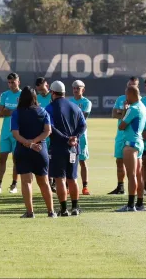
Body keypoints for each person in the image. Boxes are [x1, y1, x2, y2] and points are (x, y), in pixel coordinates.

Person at [11, 86, 54, 218]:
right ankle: (51, 211)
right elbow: (48, 131)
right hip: (40, 150)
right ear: (35, 98)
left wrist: (29, 144)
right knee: (44, 182)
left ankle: (30, 212)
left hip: (23, 150)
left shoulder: (17, 113)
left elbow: (15, 134)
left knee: (26, 181)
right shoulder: (43, 111)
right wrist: (35, 142)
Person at [45, 81, 86, 217]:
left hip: (58, 148)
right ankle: (75, 207)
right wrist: (74, 137)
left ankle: (63, 209)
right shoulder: (75, 106)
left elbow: (51, 128)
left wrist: (65, 138)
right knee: (72, 179)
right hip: (74, 148)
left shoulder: (49, 108)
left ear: (52, 92)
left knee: (59, 179)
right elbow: (83, 126)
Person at [116, 86, 146, 212]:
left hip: (130, 144)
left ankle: (130, 205)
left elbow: (121, 126)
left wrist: (124, 110)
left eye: (126, 95)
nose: (126, 98)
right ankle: (139, 203)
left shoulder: (132, 109)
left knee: (131, 175)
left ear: (131, 94)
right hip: (139, 143)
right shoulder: (143, 107)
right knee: (139, 175)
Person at [0, 73, 21, 194]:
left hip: (18, 132)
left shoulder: (23, 95)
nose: (11, 85)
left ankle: (14, 185)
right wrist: (14, 111)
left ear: (18, 81)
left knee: (16, 160)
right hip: (5, 133)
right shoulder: (4, 95)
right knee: (2, 159)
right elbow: (0, 112)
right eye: (9, 82)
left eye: (13, 82)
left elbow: (23, 112)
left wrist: (10, 111)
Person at [108, 77, 140, 195]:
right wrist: (123, 114)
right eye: (128, 86)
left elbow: (122, 115)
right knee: (119, 161)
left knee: (134, 165)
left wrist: (123, 113)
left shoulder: (138, 103)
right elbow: (113, 114)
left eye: (133, 86)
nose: (129, 88)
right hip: (120, 135)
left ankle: (137, 190)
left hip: (132, 135)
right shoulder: (121, 99)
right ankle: (120, 186)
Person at [69, 80, 92, 195]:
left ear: (83, 89)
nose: (75, 90)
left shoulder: (86, 102)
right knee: (71, 160)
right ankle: (69, 186)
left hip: (81, 136)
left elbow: (83, 117)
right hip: (70, 136)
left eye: (78, 88)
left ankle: (85, 186)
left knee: (82, 161)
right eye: (74, 88)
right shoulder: (69, 101)